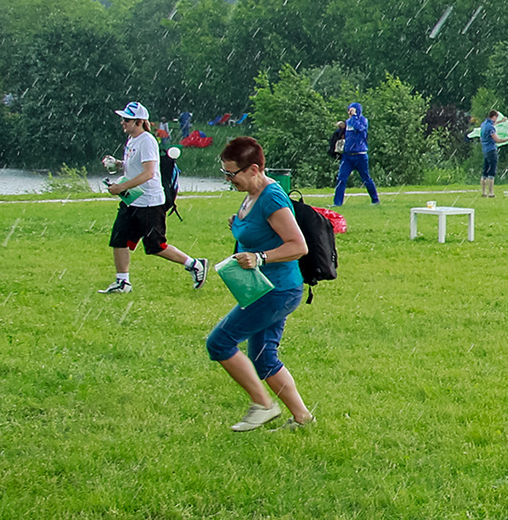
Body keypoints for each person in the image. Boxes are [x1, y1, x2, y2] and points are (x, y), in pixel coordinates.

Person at [210, 136, 314, 431]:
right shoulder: (251, 194)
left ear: (254, 169)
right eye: (225, 173)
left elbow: (298, 245)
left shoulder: (272, 197)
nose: (229, 180)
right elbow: (258, 228)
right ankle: (303, 418)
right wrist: (238, 224)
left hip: (277, 290)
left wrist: (260, 257)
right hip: (263, 288)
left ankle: (264, 405)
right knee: (263, 356)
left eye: (233, 173)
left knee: (219, 343)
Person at [98, 102, 209, 294]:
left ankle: (195, 264)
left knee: (156, 246)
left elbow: (149, 173)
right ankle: (122, 282)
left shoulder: (147, 140)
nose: (122, 122)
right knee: (119, 238)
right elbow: (134, 166)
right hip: (132, 200)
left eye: (126, 119)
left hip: (149, 202)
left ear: (139, 122)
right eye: (122, 119)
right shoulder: (132, 139)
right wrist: (117, 164)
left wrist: (121, 187)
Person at [333, 102, 378, 205]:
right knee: (341, 179)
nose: (349, 112)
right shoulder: (348, 122)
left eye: (352, 110)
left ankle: (375, 200)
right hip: (348, 156)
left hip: (360, 155)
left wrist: (354, 117)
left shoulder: (363, 121)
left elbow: (359, 128)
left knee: (366, 178)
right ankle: (337, 203)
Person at [477, 109, 504, 198]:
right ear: (494, 117)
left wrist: (501, 121)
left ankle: (484, 192)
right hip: (491, 150)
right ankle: (491, 193)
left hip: (485, 150)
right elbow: (497, 140)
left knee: (485, 172)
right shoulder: (491, 128)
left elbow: (492, 125)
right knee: (492, 172)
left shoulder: (484, 124)